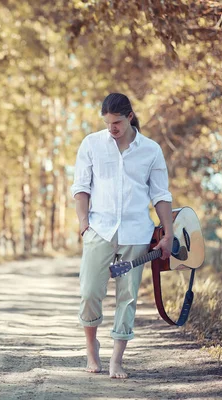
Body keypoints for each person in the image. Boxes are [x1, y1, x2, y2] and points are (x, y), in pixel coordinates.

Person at [70, 93, 173, 378]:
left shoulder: (150, 150)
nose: (112, 128)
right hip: (99, 230)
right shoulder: (92, 144)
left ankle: (117, 359)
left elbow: (161, 195)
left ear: (129, 117)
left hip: (136, 232)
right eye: (107, 123)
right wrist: (83, 222)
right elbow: (81, 186)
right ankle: (91, 347)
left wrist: (168, 233)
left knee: (127, 298)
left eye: (116, 122)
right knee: (90, 292)